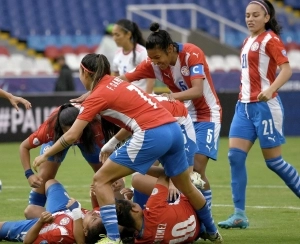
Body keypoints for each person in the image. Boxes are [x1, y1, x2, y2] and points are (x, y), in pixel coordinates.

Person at [33, 53, 223, 243]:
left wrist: (45, 155)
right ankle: (212, 231)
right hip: (173, 128)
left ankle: (113, 239)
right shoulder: (115, 82)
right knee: (187, 187)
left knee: (100, 180)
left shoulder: (97, 95)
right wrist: (111, 142)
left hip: (152, 133)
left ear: (84, 72)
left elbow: (73, 135)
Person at [118, 23, 222, 209]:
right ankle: (169, 208)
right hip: (182, 117)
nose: (155, 63)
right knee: (170, 165)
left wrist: (170, 97)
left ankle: (205, 217)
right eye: (152, 59)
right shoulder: (152, 64)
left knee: (196, 169)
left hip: (207, 115)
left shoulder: (191, 53)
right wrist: (97, 92)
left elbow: (197, 90)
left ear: (171, 49)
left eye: (158, 57)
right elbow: (123, 79)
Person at [217, 0, 300, 229]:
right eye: (247, 15)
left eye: (255, 15)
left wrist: (271, 89)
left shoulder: (271, 39)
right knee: (235, 158)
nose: (250, 19)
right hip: (243, 107)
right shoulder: (247, 41)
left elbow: (286, 69)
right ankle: (239, 215)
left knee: (274, 162)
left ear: (266, 17)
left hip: (265, 107)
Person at [20, 103, 105, 219]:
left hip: (88, 137)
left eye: (76, 132)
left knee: (105, 175)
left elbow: (111, 156)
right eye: (68, 133)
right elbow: (24, 146)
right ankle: (38, 211)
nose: (73, 138)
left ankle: (105, 214)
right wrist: (29, 174)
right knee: (44, 178)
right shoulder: (50, 130)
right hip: (58, 139)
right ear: (61, 129)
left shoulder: (95, 126)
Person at [0, 179, 105, 243]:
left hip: (42, 225)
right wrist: (94, 196)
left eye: (94, 218)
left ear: (85, 231)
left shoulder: (60, 234)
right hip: (63, 210)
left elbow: (28, 241)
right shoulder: (100, 223)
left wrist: (41, 221)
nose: (95, 213)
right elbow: (96, 210)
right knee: (51, 182)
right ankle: (33, 212)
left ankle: (34, 215)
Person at [116, 167, 202, 243]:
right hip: (194, 205)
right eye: (134, 204)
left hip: (196, 232)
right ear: (134, 210)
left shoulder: (142, 240)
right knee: (137, 178)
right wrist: (138, 165)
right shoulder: (154, 209)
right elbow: (165, 173)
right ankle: (191, 181)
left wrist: (128, 202)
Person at [111, 19, 155, 93]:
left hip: (143, 99)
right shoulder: (117, 54)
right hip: (126, 99)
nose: (114, 38)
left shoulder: (141, 52)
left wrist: (148, 96)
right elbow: (115, 77)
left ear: (128, 34)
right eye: (113, 35)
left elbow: (151, 77)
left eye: (117, 35)